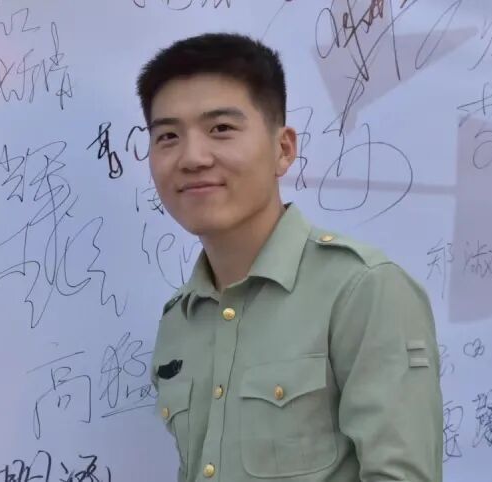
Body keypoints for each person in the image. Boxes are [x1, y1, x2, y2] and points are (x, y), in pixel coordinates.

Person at [139, 32, 444, 481]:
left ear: (283, 149)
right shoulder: (179, 321)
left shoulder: (361, 290)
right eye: (168, 136)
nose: (193, 157)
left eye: (220, 129)